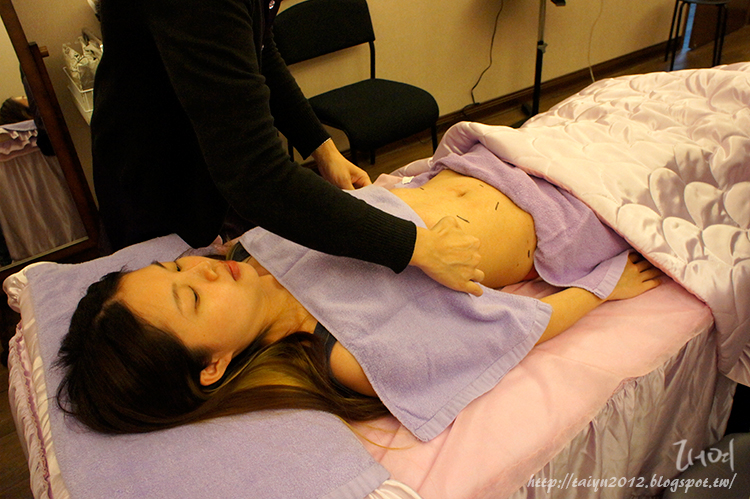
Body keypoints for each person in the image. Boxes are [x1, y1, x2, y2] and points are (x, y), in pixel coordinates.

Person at [56, 163, 663, 435]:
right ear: (211, 366)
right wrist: (599, 292)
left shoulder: (254, 247)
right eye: (190, 297)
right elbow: (500, 333)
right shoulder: (347, 352)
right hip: (563, 216)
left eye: (176, 265)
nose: (202, 270)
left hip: (489, 161)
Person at [91, 0, 483, 296]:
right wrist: (417, 246)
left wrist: (323, 148)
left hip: (218, 165)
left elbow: (260, 50)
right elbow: (257, 177)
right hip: (157, 179)